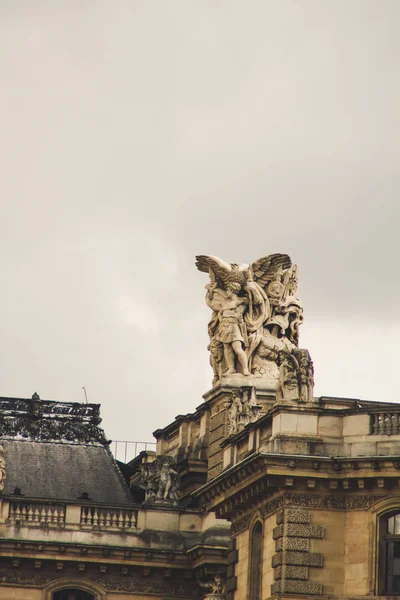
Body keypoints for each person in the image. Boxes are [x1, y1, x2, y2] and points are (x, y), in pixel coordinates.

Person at [215, 283, 250, 376]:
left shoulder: (241, 301)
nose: (227, 292)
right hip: (224, 326)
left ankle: (245, 369)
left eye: (228, 290)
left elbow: (239, 313)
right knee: (227, 348)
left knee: (237, 349)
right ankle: (231, 368)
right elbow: (220, 313)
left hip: (233, 326)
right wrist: (221, 319)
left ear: (233, 291)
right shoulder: (226, 302)